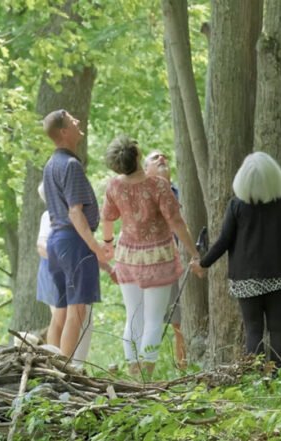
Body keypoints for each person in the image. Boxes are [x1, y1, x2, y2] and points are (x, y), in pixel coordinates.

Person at [191, 152, 281, 370]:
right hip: (279, 276)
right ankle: (278, 379)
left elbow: (223, 241)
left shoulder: (236, 206)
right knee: (278, 329)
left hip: (245, 278)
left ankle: (256, 378)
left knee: (253, 330)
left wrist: (202, 265)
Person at [101, 136, 200, 379]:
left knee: (133, 316)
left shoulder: (114, 186)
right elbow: (176, 222)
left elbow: (107, 218)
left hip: (127, 257)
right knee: (154, 320)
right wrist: (194, 253)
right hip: (157, 258)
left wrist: (108, 246)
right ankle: (146, 376)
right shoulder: (157, 185)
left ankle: (133, 372)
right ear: (136, 155)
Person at [42, 109, 107, 359]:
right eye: (72, 120)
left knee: (60, 311)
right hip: (74, 242)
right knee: (76, 311)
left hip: (56, 242)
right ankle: (63, 369)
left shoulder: (50, 165)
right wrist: (96, 247)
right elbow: (75, 212)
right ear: (64, 131)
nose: (78, 121)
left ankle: (50, 365)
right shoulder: (70, 165)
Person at [35, 182, 94, 364]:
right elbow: (41, 246)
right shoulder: (50, 216)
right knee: (64, 316)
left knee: (83, 319)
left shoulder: (77, 215)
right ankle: (59, 364)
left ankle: (74, 365)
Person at [144, 149, 187, 370]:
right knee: (151, 320)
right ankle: (142, 371)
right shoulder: (143, 195)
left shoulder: (182, 193)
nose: (161, 159)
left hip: (184, 262)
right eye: (154, 158)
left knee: (182, 321)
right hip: (157, 265)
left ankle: (184, 368)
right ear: (145, 169)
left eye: (164, 157)